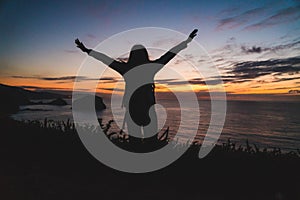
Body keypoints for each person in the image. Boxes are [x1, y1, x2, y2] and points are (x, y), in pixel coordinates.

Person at [75, 29, 197, 142]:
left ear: (131, 56)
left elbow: (104, 59)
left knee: (135, 142)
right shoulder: (150, 68)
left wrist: (87, 50)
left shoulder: (126, 68)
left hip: (132, 109)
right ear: (145, 55)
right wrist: (186, 42)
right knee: (151, 142)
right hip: (148, 108)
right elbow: (169, 55)